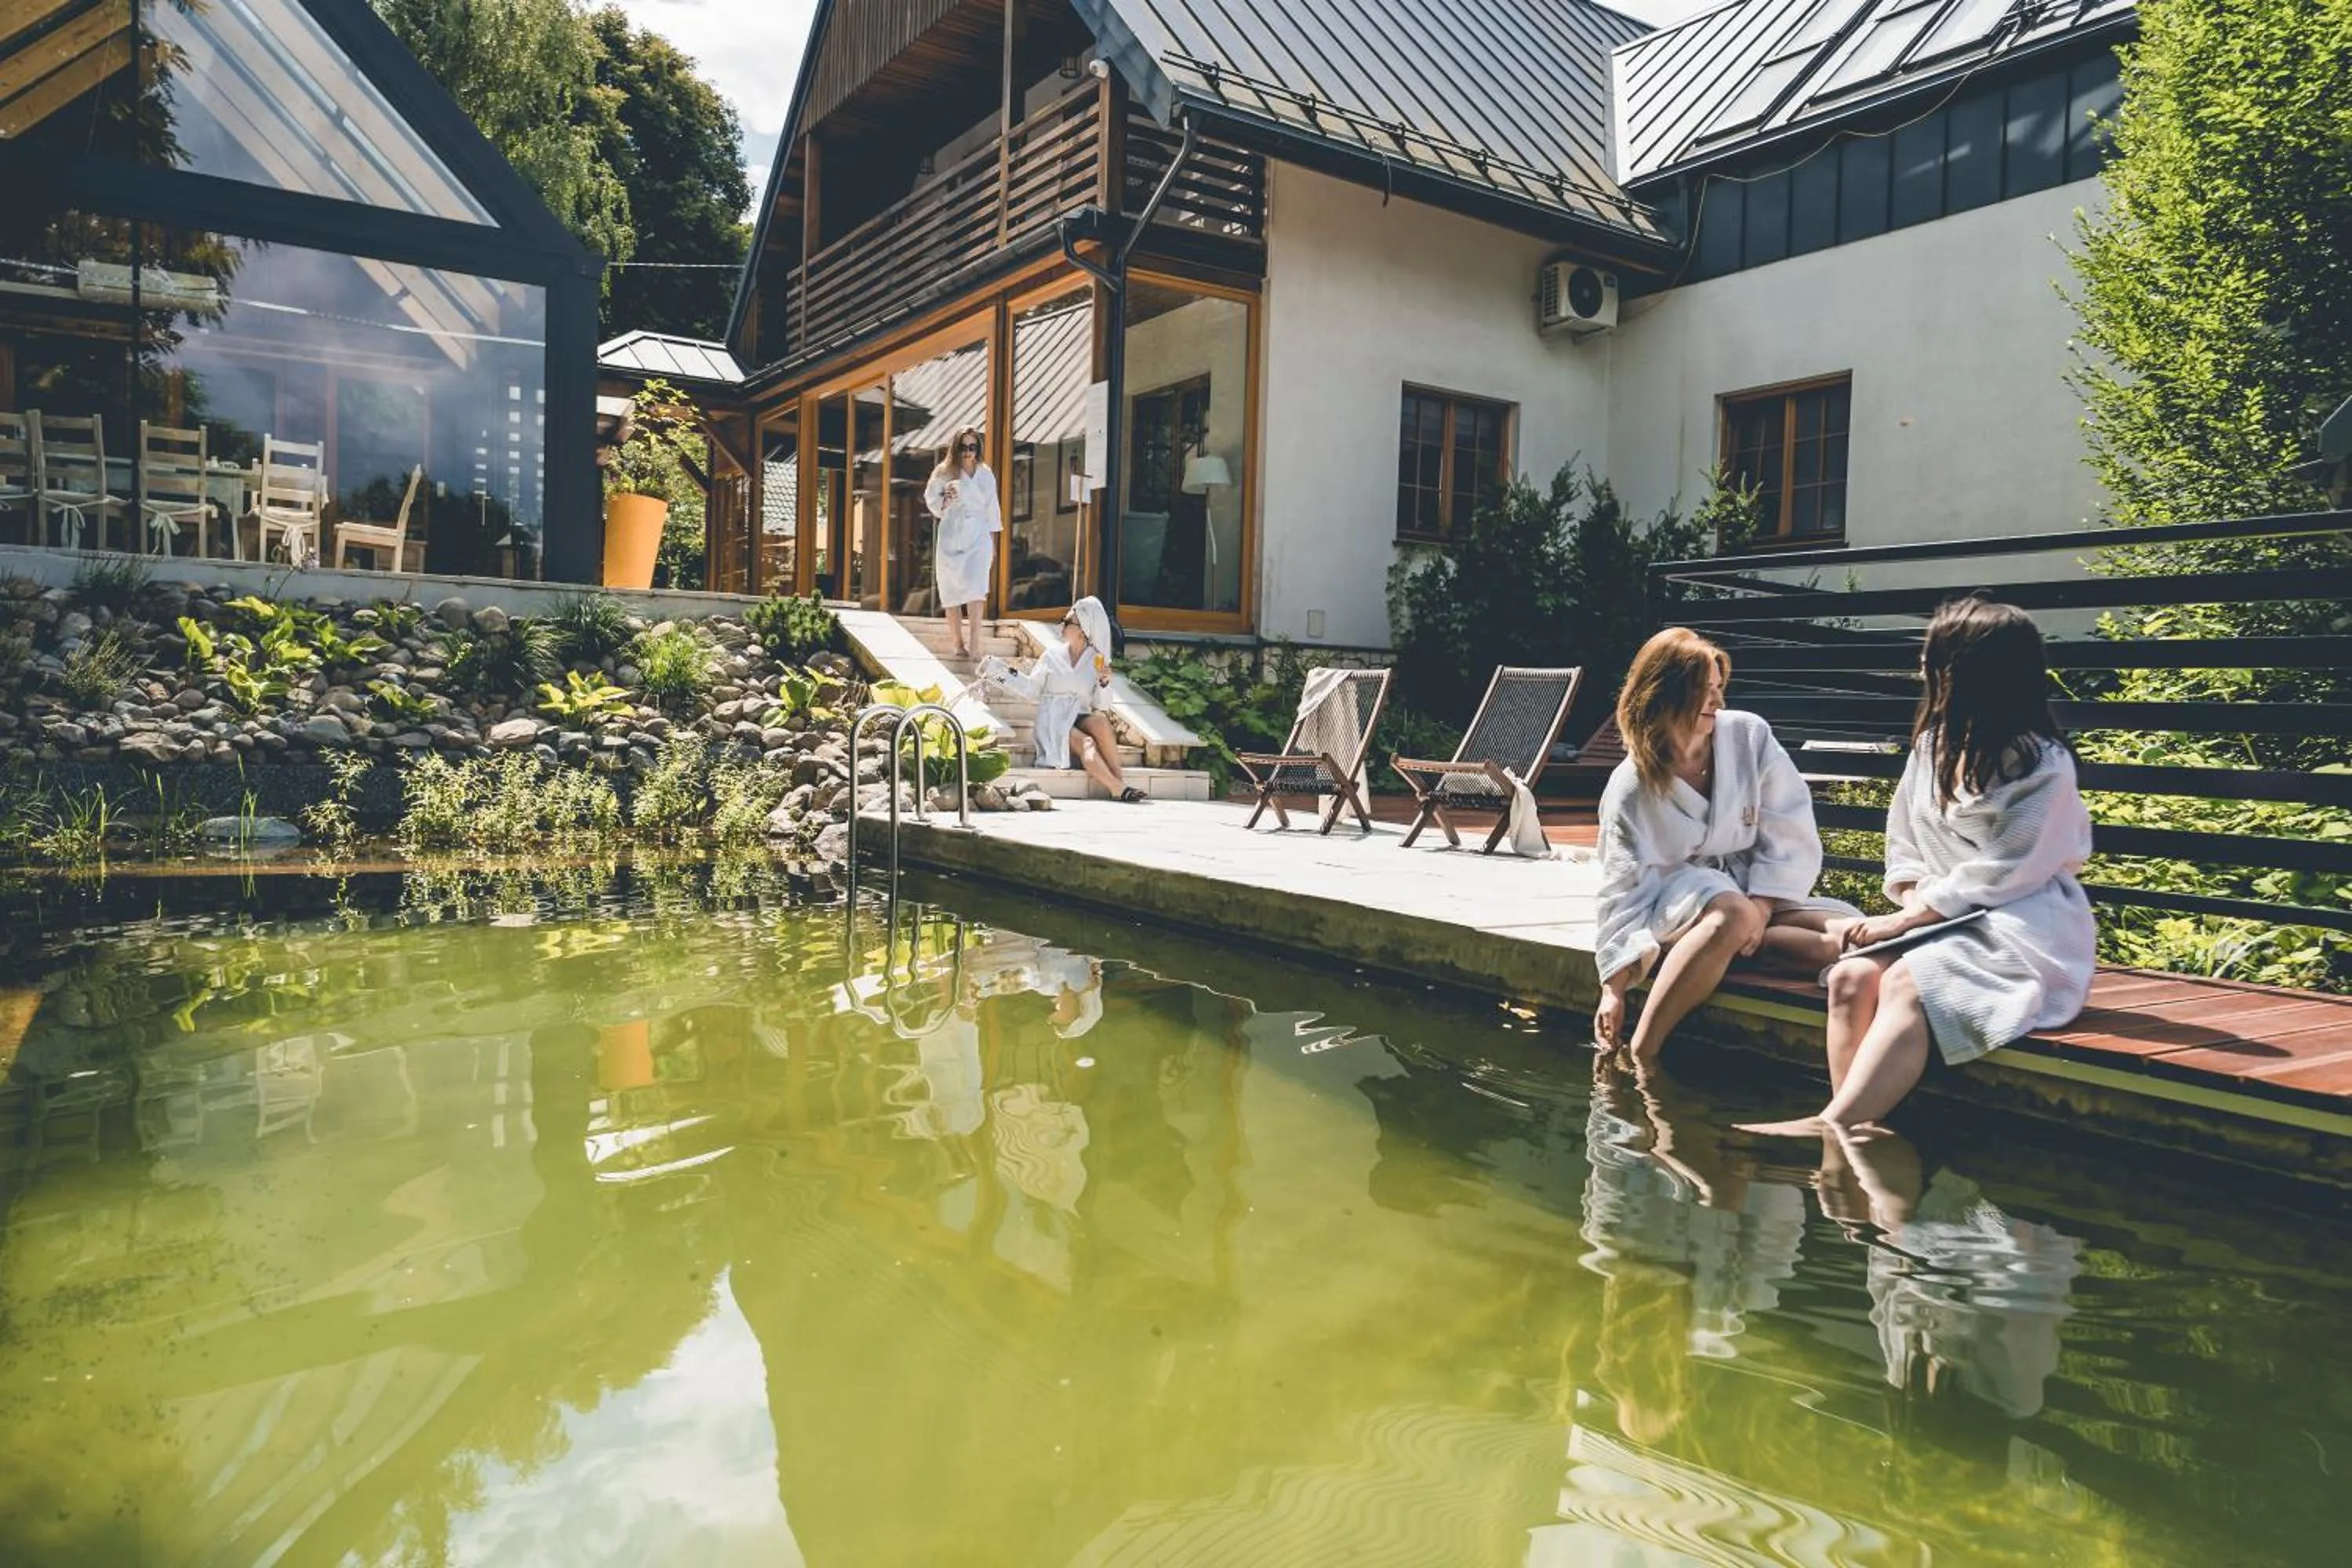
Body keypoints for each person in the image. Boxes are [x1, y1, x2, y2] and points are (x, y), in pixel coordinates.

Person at [1742, 597, 2096, 1138]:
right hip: (1940, 916)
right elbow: (1904, 837)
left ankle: (1832, 1125)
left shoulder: (2043, 763)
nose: (1923, 668)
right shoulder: (1933, 746)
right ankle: (1863, 1127)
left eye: (1935, 656)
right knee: (1851, 977)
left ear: (1969, 671)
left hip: (2023, 923)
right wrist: (1912, 905)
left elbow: (2010, 868)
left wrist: (1908, 922)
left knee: (1910, 978)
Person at [1592, 628, 1857, 1069]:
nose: (1718, 702)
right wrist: (1613, 989)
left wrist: (1763, 907)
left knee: (1844, 939)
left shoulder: (1748, 737)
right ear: (1665, 695)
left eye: (1719, 688)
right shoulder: (1633, 785)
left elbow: (1787, 826)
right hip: (1674, 905)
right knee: (1731, 914)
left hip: (1752, 890)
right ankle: (1643, 1052)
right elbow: (1621, 886)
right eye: (1704, 692)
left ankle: (1727, 946)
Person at [978, 596, 1145, 803]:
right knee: (1087, 743)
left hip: (1079, 714)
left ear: (1083, 629)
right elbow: (1031, 690)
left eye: (1067, 622)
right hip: (1054, 718)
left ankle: (1120, 783)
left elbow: (1101, 705)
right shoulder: (1052, 656)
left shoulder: (1096, 660)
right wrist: (999, 672)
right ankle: (1116, 788)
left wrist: (1103, 683)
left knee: (1101, 722)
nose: (1062, 625)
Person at [922, 425, 1001, 660]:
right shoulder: (944, 472)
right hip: (951, 535)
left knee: (977, 587)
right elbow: (931, 501)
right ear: (956, 449)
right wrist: (945, 499)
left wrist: (993, 543)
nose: (968, 453)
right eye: (964, 447)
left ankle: (975, 643)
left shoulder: (986, 474)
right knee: (951, 589)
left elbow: (992, 510)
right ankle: (958, 643)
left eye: (972, 447)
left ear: (978, 448)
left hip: (979, 535)